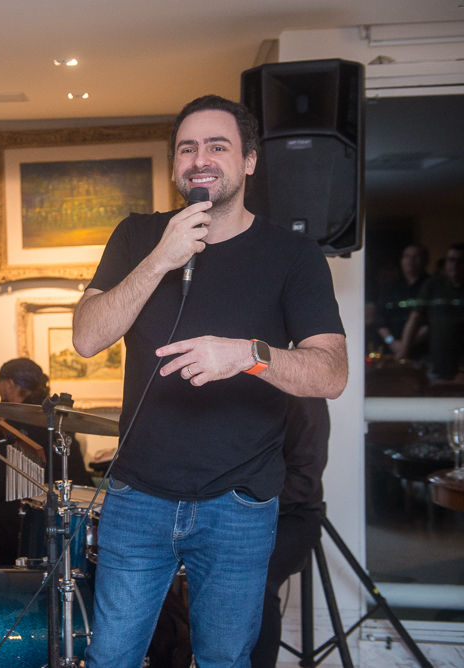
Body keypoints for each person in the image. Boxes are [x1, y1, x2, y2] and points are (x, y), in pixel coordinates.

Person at [71, 94, 348, 668]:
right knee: (110, 658)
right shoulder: (138, 236)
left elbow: (331, 372)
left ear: (249, 160)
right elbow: (87, 337)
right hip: (137, 497)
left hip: (238, 505)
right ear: (175, 165)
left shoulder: (293, 255)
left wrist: (247, 355)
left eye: (217, 146)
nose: (200, 159)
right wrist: (160, 258)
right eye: (187, 148)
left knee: (224, 660)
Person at [0, 358, 92, 563]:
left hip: (35, 516)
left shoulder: (19, 419)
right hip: (72, 512)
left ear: (11, 384)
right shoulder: (57, 417)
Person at [250, 396, 330, 668]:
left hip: (293, 515)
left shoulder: (304, 395)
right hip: (234, 511)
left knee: (256, 578)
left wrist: (245, 507)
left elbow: (304, 480)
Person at [398, 242, 464, 381]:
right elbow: (415, 319)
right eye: (451, 260)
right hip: (439, 365)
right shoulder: (434, 285)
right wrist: (402, 355)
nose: (455, 265)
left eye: (460, 261)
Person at [376, 244, 429, 359]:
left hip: (424, 352)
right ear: (401, 260)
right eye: (407, 256)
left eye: (416, 256)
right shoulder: (390, 289)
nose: (411, 260)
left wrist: (406, 344)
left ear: (425, 261)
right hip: (393, 351)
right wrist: (392, 342)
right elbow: (381, 322)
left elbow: (431, 323)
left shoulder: (431, 286)